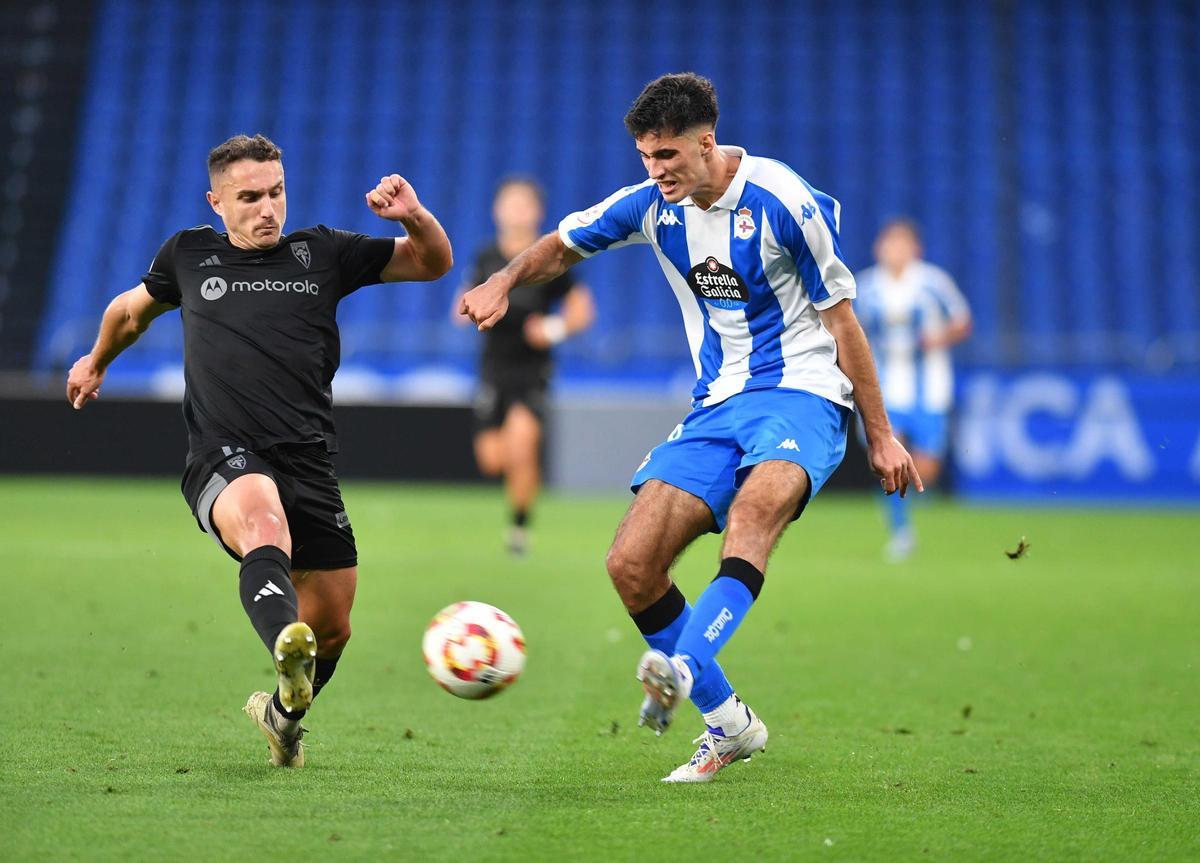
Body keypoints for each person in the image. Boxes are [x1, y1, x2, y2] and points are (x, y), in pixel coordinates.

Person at [461, 73, 921, 782]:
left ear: (707, 143)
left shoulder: (783, 202)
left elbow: (843, 321)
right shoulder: (651, 205)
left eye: (667, 156)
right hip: (717, 404)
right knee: (631, 562)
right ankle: (729, 723)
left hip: (802, 394)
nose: (655, 171)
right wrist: (504, 281)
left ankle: (683, 664)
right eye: (646, 156)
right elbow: (561, 244)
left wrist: (881, 432)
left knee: (754, 513)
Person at [65, 134, 453, 768]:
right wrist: (95, 361)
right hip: (223, 452)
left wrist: (413, 214)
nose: (267, 208)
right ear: (216, 201)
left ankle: (282, 714)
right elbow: (129, 312)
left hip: (309, 458)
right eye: (249, 197)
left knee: (334, 627)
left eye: (276, 192)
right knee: (264, 523)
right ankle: (284, 643)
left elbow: (430, 262)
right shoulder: (189, 255)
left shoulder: (323, 252)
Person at [456, 177, 595, 556]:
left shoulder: (549, 258)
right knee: (492, 459)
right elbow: (462, 302)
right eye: (509, 203)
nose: (516, 211)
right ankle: (519, 491)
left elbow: (582, 311)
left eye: (524, 204)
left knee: (522, 443)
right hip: (493, 368)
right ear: (496, 210)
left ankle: (519, 528)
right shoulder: (486, 256)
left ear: (538, 212)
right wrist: (468, 310)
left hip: (533, 369)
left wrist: (551, 329)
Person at [854, 219, 971, 560]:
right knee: (888, 459)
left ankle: (909, 510)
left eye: (902, 245)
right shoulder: (866, 286)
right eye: (890, 244)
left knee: (926, 468)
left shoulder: (933, 283)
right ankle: (901, 533)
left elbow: (963, 321)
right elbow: (848, 327)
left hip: (929, 388)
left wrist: (940, 338)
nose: (895, 251)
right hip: (884, 389)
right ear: (879, 248)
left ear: (915, 250)